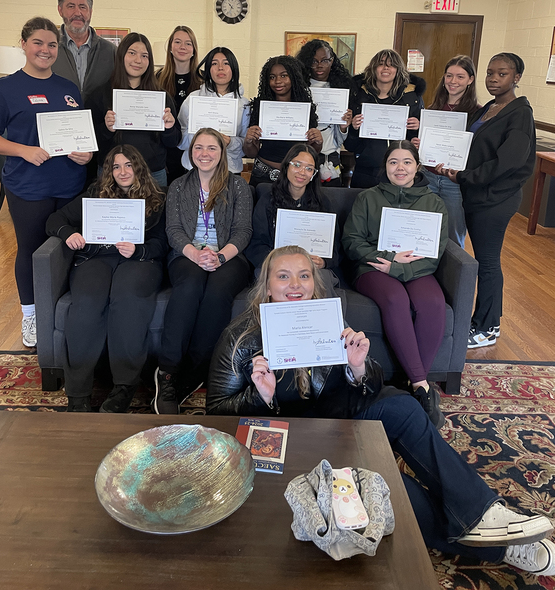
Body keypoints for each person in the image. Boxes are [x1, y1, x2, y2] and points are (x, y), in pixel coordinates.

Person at [207, 246, 555, 577]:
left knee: (404, 406)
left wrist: (358, 367)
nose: (295, 285)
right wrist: (261, 397)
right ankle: (501, 549)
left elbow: (369, 386)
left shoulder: (326, 320)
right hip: (293, 442)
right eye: (283, 276)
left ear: (315, 281)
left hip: (341, 422)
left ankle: (483, 512)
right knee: (388, 487)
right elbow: (216, 413)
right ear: (267, 286)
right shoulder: (241, 337)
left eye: (304, 275)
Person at [0, 17, 92, 348]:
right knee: (31, 249)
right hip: (28, 186)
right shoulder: (4, 89)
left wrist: (85, 154)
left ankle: (62, 312)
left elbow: (79, 134)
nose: (45, 50)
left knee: (69, 248)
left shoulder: (68, 88)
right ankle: (30, 314)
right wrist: (23, 150)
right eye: (38, 43)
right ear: (24, 44)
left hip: (70, 185)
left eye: (52, 44)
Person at [46, 145, 167, 413]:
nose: (123, 172)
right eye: (116, 167)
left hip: (139, 260)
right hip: (96, 257)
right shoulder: (95, 195)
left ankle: (124, 387)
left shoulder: (157, 198)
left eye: (129, 165)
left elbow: (161, 243)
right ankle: (78, 394)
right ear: (109, 172)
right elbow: (56, 219)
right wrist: (68, 233)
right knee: (87, 304)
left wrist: (139, 250)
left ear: (139, 168)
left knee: (128, 301)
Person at [341, 141, 448, 427]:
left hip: (416, 269)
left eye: (407, 162)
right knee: (395, 299)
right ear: (385, 167)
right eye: (393, 162)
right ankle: (422, 388)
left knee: (433, 302)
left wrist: (399, 268)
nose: (400, 168)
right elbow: (352, 241)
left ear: (417, 167)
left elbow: (435, 253)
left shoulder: (434, 203)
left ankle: (416, 385)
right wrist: (388, 258)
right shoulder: (367, 197)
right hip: (373, 267)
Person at [434, 53, 536, 349]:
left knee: (487, 262)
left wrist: (465, 177)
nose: (494, 78)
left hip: (496, 198)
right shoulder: (489, 108)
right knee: (482, 260)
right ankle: (483, 320)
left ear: (516, 77)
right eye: (490, 73)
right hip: (477, 193)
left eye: (502, 74)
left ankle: (488, 327)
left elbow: (509, 162)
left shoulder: (520, 113)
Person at [152, 127, 253, 414]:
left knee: (217, 293)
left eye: (212, 148)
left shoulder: (238, 187)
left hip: (228, 256)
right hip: (187, 254)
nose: (204, 153)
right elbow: (173, 230)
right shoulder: (178, 186)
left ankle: (197, 370)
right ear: (190, 152)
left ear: (222, 153)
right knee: (189, 287)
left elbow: (243, 232)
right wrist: (196, 254)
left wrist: (219, 257)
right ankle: (168, 372)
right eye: (198, 147)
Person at [86, 32, 180, 187]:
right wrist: (106, 129)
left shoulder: (161, 97)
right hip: (112, 174)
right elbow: (89, 141)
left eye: (144, 56)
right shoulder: (100, 95)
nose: (138, 60)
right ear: (121, 55)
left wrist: (169, 128)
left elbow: (174, 142)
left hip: (152, 173)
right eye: (132, 53)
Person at [246, 143, 340, 294]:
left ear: (314, 174)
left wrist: (324, 261)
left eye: (309, 168)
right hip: (276, 266)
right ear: (286, 166)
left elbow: (335, 248)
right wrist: (277, 262)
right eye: (297, 165)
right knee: (276, 280)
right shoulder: (268, 200)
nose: (302, 172)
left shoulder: (323, 203)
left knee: (321, 280)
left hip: (311, 269)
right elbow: (256, 244)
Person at [414, 56, 481, 248]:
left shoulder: (477, 113)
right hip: (428, 176)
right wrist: (419, 144)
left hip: (455, 182)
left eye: (460, 76)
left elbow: (478, 150)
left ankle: (454, 269)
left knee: (454, 234)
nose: (453, 81)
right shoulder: (433, 108)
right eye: (449, 75)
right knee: (425, 231)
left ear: (470, 80)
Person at [344, 49, 425, 188]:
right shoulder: (359, 95)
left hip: (399, 172)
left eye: (391, 64)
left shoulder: (412, 97)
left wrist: (418, 127)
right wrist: (354, 128)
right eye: (381, 64)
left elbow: (419, 141)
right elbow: (350, 146)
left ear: (398, 69)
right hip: (365, 170)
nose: (386, 68)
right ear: (373, 68)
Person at [244, 56, 323, 186]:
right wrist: (248, 141)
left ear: (294, 77)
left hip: (296, 175)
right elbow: (251, 153)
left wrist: (318, 141)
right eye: (272, 77)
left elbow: (312, 150)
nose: (278, 81)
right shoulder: (260, 107)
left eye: (284, 76)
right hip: (263, 173)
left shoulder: (304, 108)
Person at [177, 47, 250, 175]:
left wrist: (230, 142)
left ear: (234, 68)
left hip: (229, 171)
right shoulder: (194, 98)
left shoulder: (244, 104)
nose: (220, 68)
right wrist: (199, 139)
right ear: (208, 69)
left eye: (226, 63)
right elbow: (179, 138)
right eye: (214, 63)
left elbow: (246, 145)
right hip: (194, 169)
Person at [296, 39, 354, 186]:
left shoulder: (340, 89)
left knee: (329, 197)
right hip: (303, 156)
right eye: (314, 61)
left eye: (325, 60)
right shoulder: (299, 89)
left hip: (330, 160)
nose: (319, 65)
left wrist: (343, 127)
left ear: (332, 60)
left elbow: (339, 141)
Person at [52, 0, 115, 101]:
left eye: (82, 7)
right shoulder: (50, 49)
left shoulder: (110, 51)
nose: (77, 13)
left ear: (90, 12)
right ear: (60, 10)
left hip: (99, 114)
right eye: (71, 6)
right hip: (60, 113)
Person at [156, 25, 202, 183]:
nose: (183, 47)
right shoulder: (156, 79)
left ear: (194, 50)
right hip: (165, 154)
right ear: (170, 47)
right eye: (177, 42)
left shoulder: (204, 81)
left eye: (188, 43)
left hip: (194, 153)